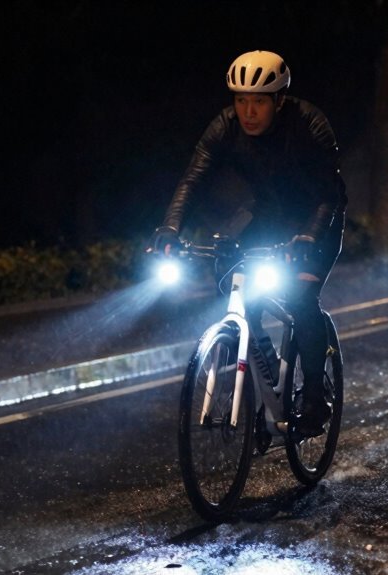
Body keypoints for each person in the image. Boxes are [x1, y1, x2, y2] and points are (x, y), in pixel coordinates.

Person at [149, 50, 348, 437]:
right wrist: (170, 230)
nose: (248, 111)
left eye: (258, 101)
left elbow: (329, 195)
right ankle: (269, 373)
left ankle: (313, 400)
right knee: (235, 281)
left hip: (318, 217)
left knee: (302, 299)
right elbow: (193, 179)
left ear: (278, 101)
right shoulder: (224, 126)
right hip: (268, 213)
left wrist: (307, 238)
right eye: (241, 100)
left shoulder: (310, 124)